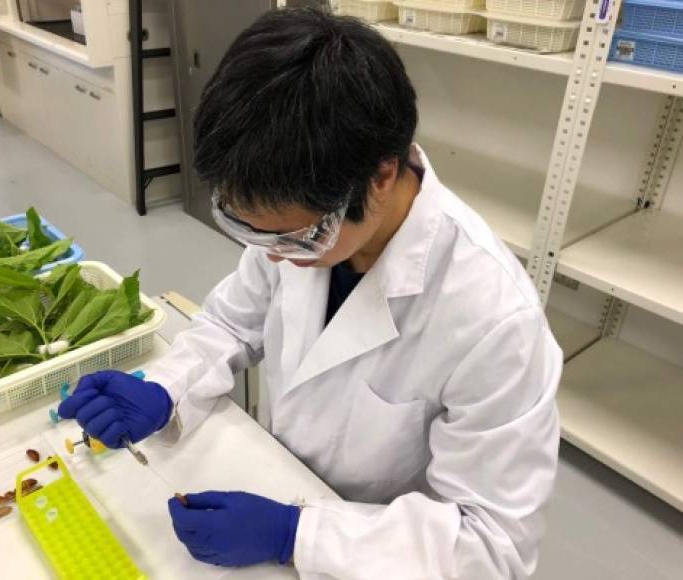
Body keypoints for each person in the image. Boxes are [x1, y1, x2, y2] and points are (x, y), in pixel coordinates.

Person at [59, 8, 562, 579]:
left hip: (379, 554)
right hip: (282, 479)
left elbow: (492, 548)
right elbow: (233, 322)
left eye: (291, 236)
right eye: (248, 230)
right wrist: (166, 390)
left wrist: (298, 534)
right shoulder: (303, 222)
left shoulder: (495, 320)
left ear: (380, 175)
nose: (273, 255)